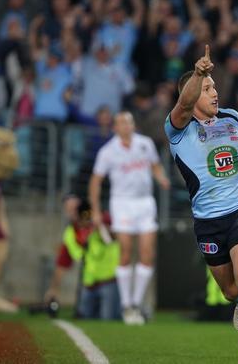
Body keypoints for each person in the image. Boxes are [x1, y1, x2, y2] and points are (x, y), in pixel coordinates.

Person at [165, 45, 238, 364]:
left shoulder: (231, 118)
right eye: (207, 88)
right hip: (207, 221)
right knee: (230, 291)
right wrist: (198, 73)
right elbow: (184, 103)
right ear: (192, 95)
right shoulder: (177, 129)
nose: (215, 92)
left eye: (215, 86)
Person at [89, 112, 170, 325]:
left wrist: (160, 177)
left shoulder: (145, 144)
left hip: (144, 203)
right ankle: (126, 305)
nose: (126, 126)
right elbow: (95, 181)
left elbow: (155, 165)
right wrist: (96, 210)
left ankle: (136, 303)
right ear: (115, 127)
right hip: (122, 203)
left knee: (147, 254)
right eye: (122, 122)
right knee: (125, 253)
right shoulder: (108, 152)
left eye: (129, 122)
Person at [44, 199, 120, 320]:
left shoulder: (102, 219)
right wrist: (53, 289)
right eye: (69, 209)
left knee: (109, 318)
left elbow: (113, 237)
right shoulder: (70, 233)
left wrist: (99, 225)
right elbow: (62, 264)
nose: (73, 212)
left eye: (75, 208)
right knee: (85, 318)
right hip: (88, 284)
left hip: (109, 281)